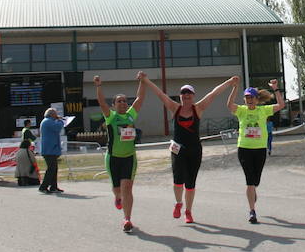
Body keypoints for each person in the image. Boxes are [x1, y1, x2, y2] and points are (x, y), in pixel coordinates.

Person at [139, 75, 235, 224]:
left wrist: (229, 82)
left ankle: (188, 212)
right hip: (178, 149)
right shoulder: (175, 108)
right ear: (180, 96)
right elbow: (160, 94)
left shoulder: (198, 108)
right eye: (183, 93)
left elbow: (214, 93)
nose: (186, 95)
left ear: (193, 95)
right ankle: (178, 203)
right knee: (178, 180)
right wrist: (145, 80)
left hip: (194, 150)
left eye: (189, 93)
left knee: (190, 183)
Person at [227, 77, 285, 224]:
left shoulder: (263, 110)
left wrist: (275, 88)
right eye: (247, 97)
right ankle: (252, 211)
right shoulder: (241, 110)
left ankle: (253, 191)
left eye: (251, 97)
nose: (249, 100)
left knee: (255, 180)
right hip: (244, 149)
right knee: (249, 180)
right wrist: (235, 87)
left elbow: (281, 105)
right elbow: (229, 105)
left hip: (260, 149)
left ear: (257, 99)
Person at [95, 73, 146, 233]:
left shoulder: (131, 115)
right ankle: (117, 197)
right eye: (119, 101)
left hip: (129, 158)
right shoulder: (111, 117)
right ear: (114, 105)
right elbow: (101, 102)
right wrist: (98, 85)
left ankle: (127, 219)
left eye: (124, 101)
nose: (123, 103)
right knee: (118, 190)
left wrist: (143, 81)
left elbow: (140, 98)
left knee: (127, 188)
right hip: (113, 158)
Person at [38, 108, 65, 194]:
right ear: (52, 114)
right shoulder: (48, 121)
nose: (57, 115)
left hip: (51, 149)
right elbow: (58, 127)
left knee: (54, 169)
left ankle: (53, 186)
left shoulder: (49, 121)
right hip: (49, 150)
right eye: (55, 114)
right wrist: (61, 120)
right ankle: (43, 187)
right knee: (51, 169)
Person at [15, 119, 40, 186]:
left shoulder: (23, 129)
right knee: (29, 163)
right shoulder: (27, 130)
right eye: (30, 123)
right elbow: (33, 138)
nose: (30, 125)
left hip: (23, 146)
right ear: (28, 124)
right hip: (27, 147)